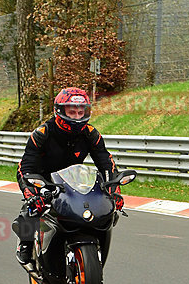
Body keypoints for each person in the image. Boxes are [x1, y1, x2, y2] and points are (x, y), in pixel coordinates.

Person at [14, 87, 123, 264]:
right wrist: (32, 192)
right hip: (42, 178)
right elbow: (25, 166)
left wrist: (113, 190)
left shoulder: (90, 133)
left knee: (101, 209)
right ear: (59, 111)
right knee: (31, 210)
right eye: (72, 112)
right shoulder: (42, 134)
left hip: (73, 179)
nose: (77, 116)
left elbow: (106, 163)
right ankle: (25, 244)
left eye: (81, 112)